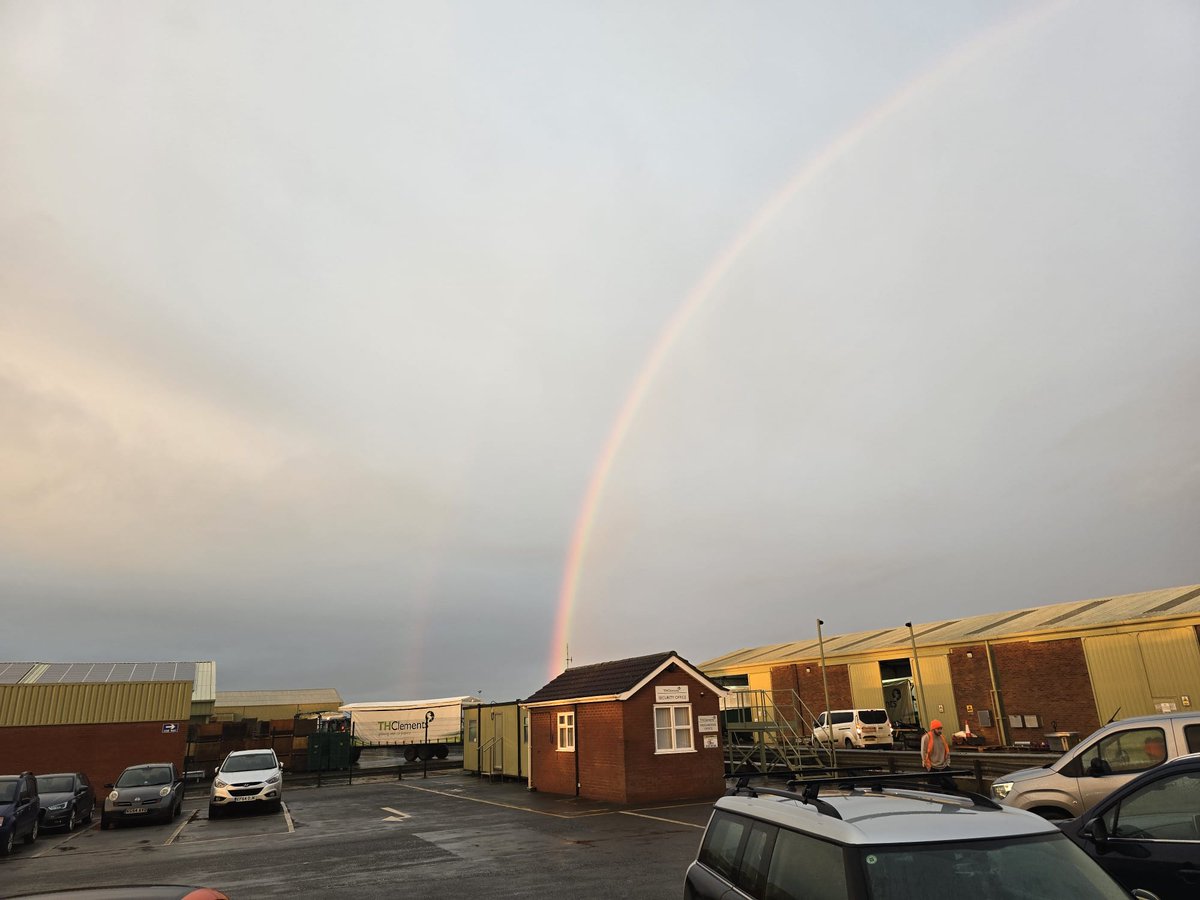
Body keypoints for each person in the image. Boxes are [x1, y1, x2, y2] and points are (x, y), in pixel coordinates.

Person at [922, 719, 953, 789]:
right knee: (934, 788)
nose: (940, 731)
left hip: (944, 766)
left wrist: (948, 763)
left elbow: (947, 751)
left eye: (941, 728)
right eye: (938, 729)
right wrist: (929, 767)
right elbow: (923, 752)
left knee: (951, 787)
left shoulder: (942, 737)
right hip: (933, 767)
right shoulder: (926, 737)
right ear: (933, 729)